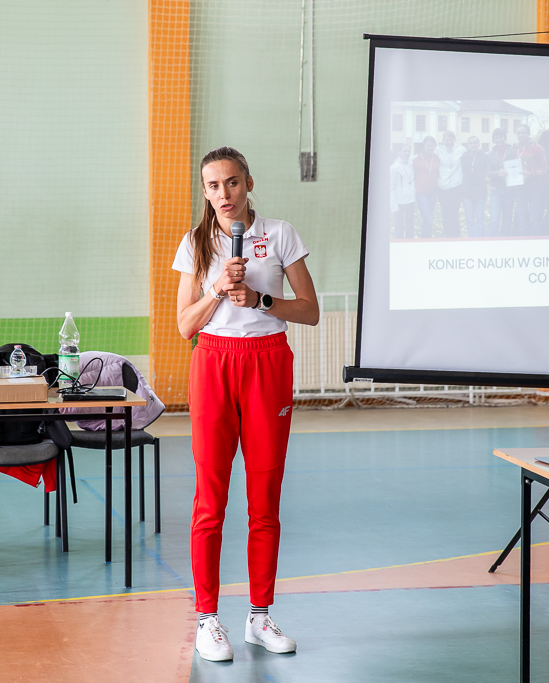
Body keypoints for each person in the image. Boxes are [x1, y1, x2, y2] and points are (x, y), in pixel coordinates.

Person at [173, 146, 320, 663]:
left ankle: (259, 616)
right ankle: (207, 619)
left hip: (267, 362)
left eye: (232, 182)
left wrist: (261, 300)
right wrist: (217, 289)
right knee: (210, 499)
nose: (224, 194)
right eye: (213, 186)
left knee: (265, 498)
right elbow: (185, 326)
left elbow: (311, 310)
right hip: (214, 363)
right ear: (205, 191)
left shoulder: (280, 234)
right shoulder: (195, 242)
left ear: (249, 183)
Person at [515, 124, 548, 235]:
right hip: (520, 186)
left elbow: (545, 168)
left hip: (535, 186)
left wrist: (532, 173)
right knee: (521, 216)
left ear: (528, 133)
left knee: (534, 217)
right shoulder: (516, 147)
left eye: (523, 132)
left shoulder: (537, 147)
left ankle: (535, 240)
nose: (521, 135)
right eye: (518, 133)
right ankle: (522, 240)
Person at [486, 127, 518, 236]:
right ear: (493, 140)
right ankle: (491, 241)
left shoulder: (513, 152)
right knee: (494, 219)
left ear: (505, 138)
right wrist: (497, 173)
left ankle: (505, 240)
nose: (499, 139)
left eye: (501, 137)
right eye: (496, 138)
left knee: (507, 218)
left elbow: (517, 167)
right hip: (495, 190)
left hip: (509, 190)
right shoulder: (489, 154)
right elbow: (488, 172)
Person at [436, 130, 467, 237]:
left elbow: (471, 156)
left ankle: (456, 236)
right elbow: (425, 156)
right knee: (445, 214)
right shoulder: (438, 151)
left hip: (456, 188)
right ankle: (448, 236)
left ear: (454, 140)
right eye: (447, 140)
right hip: (442, 188)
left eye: (451, 140)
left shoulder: (461, 150)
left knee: (454, 213)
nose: (449, 142)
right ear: (443, 141)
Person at [460, 136, 488, 237]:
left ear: (478, 144)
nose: (473, 145)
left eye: (475, 143)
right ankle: (471, 239)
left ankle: (479, 239)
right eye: (470, 143)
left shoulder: (484, 156)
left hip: (480, 192)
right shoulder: (463, 157)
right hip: (467, 193)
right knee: (470, 220)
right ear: (467, 145)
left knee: (480, 219)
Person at [413, 136, 440, 237]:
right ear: (423, 146)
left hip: (433, 192)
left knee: (428, 218)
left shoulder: (436, 158)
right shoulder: (416, 159)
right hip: (421, 193)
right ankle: (424, 240)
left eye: (432, 146)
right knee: (429, 220)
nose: (430, 148)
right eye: (428, 146)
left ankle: (426, 239)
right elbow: (413, 174)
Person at [389, 145, 415, 238]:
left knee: (410, 227)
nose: (407, 153)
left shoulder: (411, 163)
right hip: (399, 203)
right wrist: (393, 205)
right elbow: (391, 187)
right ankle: (398, 245)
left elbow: (418, 156)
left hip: (411, 201)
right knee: (399, 228)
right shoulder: (394, 167)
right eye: (404, 151)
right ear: (399, 152)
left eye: (408, 151)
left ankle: (410, 244)